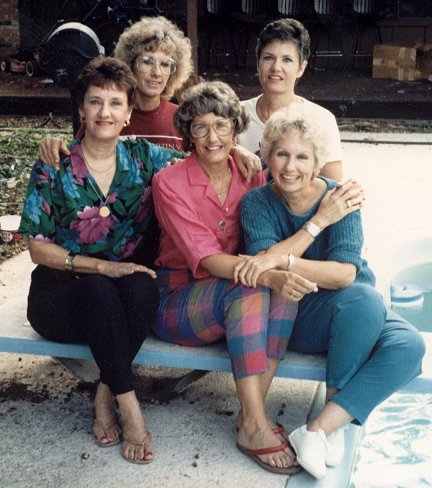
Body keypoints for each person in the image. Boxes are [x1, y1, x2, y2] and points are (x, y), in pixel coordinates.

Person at [237, 104, 426, 480]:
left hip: (353, 309)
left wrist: (285, 259)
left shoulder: (341, 196)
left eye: (302, 157)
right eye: (282, 154)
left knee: (409, 345)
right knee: (362, 298)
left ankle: (321, 428)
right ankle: (333, 419)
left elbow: (344, 273)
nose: (291, 167)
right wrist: (318, 223)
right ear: (268, 156)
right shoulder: (257, 203)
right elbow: (266, 264)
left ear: (317, 161)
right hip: (296, 313)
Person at [18, 57, 187, 465]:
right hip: (59, 293)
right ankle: (131, 409)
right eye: (95, 102)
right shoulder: (54, 164)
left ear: (129, 113)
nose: (105, 112)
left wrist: (240, 152)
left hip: (121, 292)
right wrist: (101, 267)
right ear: (81, 108)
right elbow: (38, 247)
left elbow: (203, 157)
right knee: (98, 287)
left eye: (115, 103)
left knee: (143, 287)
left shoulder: (144, 157)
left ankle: (104, 393)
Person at [151, 80, 317, 475]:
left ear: (236, 129)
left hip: (238, 293)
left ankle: (250, 414)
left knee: (284, 291)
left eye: (222, 126)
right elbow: (206, 259)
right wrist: (266, 275)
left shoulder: (249, 174)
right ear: (188, 132)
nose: (213, 137)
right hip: (179, 301)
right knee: (254, 286)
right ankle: (256, 426)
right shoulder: (169, 182)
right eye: (201, 127)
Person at [38, 16, 261, 180]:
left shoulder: (182, 117)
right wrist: (54, 146)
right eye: (147, 61)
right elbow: (76, 156)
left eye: (165, 64)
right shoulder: (110, 116)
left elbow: (208, 154)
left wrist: (235, 150)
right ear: (130, 63)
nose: (156, 72)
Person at [238, 18, 343, 180]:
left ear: (301, 68)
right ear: (258, 64)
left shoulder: (321, 120)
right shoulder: (236, 114)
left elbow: (333, 185)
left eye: (287, 60)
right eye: (268, 58)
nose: (276, 67)